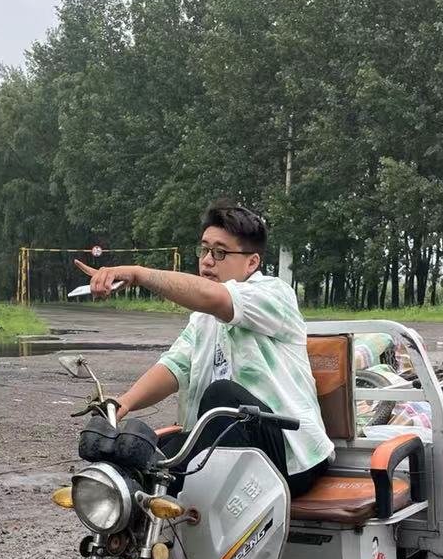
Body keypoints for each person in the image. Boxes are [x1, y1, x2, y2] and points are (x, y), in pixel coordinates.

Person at [76, 201, 332, 495]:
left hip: (290, 457)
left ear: (252, 262)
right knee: (137, 453)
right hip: (229, 446)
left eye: (220, 252)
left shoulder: (274, 295)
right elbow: (175, 366)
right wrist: (121, 404)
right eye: (205, 250)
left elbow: (214, 298)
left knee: (222, 396)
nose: (208, 261)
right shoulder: (203, 319)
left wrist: (138, 274)